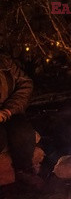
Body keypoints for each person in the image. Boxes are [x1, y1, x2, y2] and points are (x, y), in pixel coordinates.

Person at [0, 55, 42, 187]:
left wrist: (8, 110)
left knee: (22, 132)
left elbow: (26, 84)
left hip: (9, 112)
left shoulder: (4, 61)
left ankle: (23, 171)